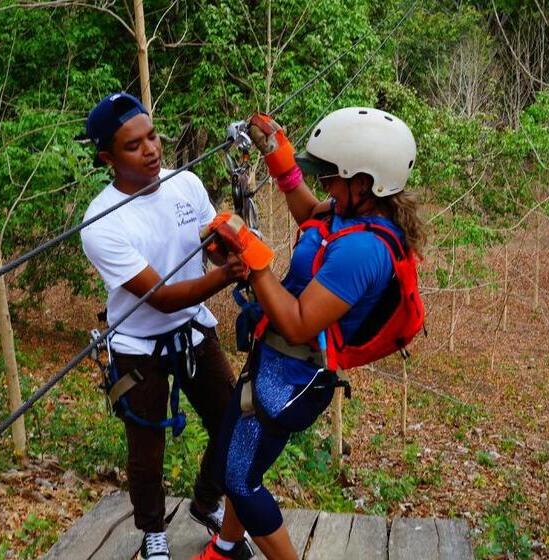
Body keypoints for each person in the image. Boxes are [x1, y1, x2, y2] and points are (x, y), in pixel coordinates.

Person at [194, 107, 428, 560]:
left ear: (365, 183)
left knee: (241, 480)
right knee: (233, 456)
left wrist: (254, 259)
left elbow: (299, 321)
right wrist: (278, 156)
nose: (322, 185)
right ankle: (226, 546)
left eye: (330, 176)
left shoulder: (364, 250)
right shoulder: (346, 213)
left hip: (294, 378)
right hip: (273, 360)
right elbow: (308, 211)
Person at [80, 92, 254, 560]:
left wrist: (230, 245)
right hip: (139, 346)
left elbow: (206, 245)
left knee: (233, 424)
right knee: (146, 447)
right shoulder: (100, 222)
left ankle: (204, 501)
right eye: (134, 145)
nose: (152, 149)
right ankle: (153, 528)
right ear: (108, 158)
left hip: (195, 332)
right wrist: (226, 275)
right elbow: (158, 295)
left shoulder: (186, 184)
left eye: (153, 136)